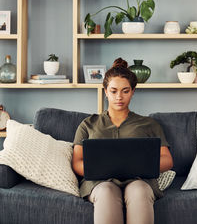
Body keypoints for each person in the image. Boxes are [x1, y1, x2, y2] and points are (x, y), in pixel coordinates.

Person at [72, 58, 173, 224]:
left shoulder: (149, 124)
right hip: (100, 182)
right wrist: (101, 169)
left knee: (139, 191)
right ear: (105, 91)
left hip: (139, 180)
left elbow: (167, 160)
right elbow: (77, 162)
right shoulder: (88, 124)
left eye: (125, 91)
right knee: (106, 192)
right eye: (113, 91)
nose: (119, 97)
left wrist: (140, 165)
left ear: (133, 91)